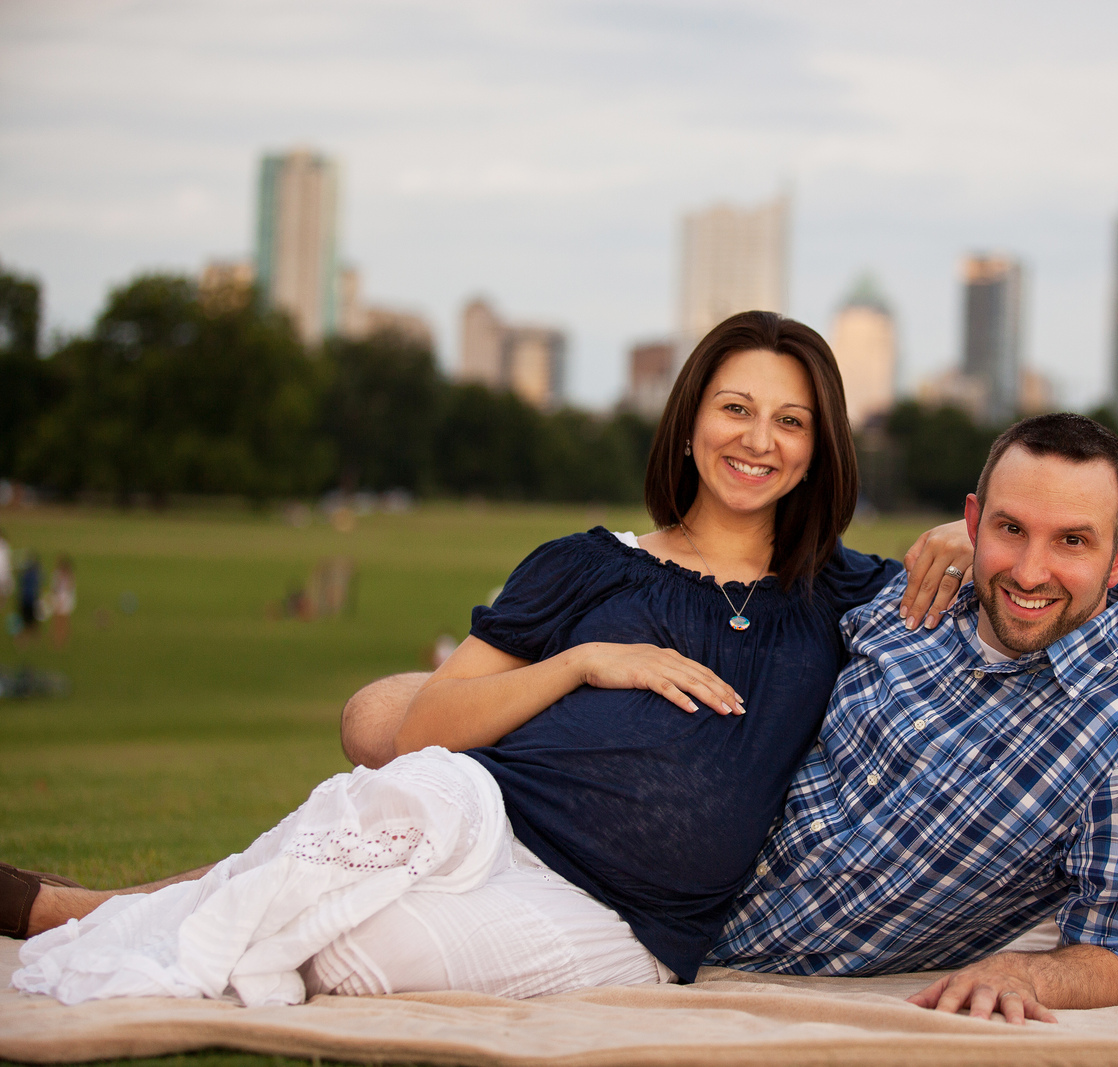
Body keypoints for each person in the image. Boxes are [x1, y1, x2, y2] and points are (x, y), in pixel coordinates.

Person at [7, 311, 973, 1007]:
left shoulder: (842, 592)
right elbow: (425, 727)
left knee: (350, 955)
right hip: (486, 808)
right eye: (735, 408)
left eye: (791, 420)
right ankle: (79, 922)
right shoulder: (585, 566)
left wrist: (963, 534)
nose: (758, 439)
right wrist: (584, 661)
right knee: (384, 817)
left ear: (818, 448)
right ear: (688, 425)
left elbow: (1003, 568)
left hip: (624, 921)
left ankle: (79, 913)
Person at [345, 413, 1118, 1022]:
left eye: (1072, 541)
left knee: (356, 937)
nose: (1031, 569)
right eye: (1011, 528)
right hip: (585, 813)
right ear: (975, 522)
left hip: (663, 924)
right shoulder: (915, 603)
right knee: (373, 725)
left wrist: (1029, 974)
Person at [48, 555, 76, 649]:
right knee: (57, 618)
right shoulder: (57, 575)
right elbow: (54, 587)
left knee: (63, 619)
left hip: (65, 597)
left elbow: (69, 587)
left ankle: (62, 638)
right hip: (59, 596)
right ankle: (57, 638)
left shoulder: (69, 575)